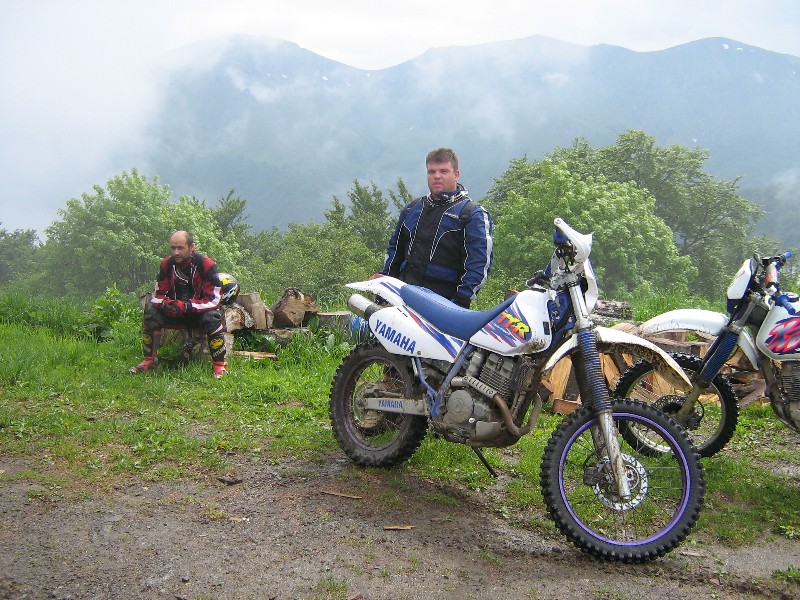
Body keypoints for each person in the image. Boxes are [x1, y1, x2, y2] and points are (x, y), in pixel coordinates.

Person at [380, 147, 493, 308]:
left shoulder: (472, 214)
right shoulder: (412, 209)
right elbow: (394, 252)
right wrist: (384, 284)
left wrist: (459, 304)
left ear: (456, 175)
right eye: (431, 172)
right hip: (402, 299)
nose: (437, 176)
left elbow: (478, 266)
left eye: (443, 171)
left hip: (443, 306)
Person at [129, 230, 229, 379]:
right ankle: (149, 360)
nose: (176, 252)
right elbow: (157, 295)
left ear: (192, 247)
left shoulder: (206, 264)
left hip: (198, 315)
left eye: (180, 248)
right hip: (174, 313)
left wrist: (187, 306)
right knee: (151, 311)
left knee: (212, 317)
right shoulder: (166, 264)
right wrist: (166, 304)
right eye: (173, 248)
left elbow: (214, 299)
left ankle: (219, 365)